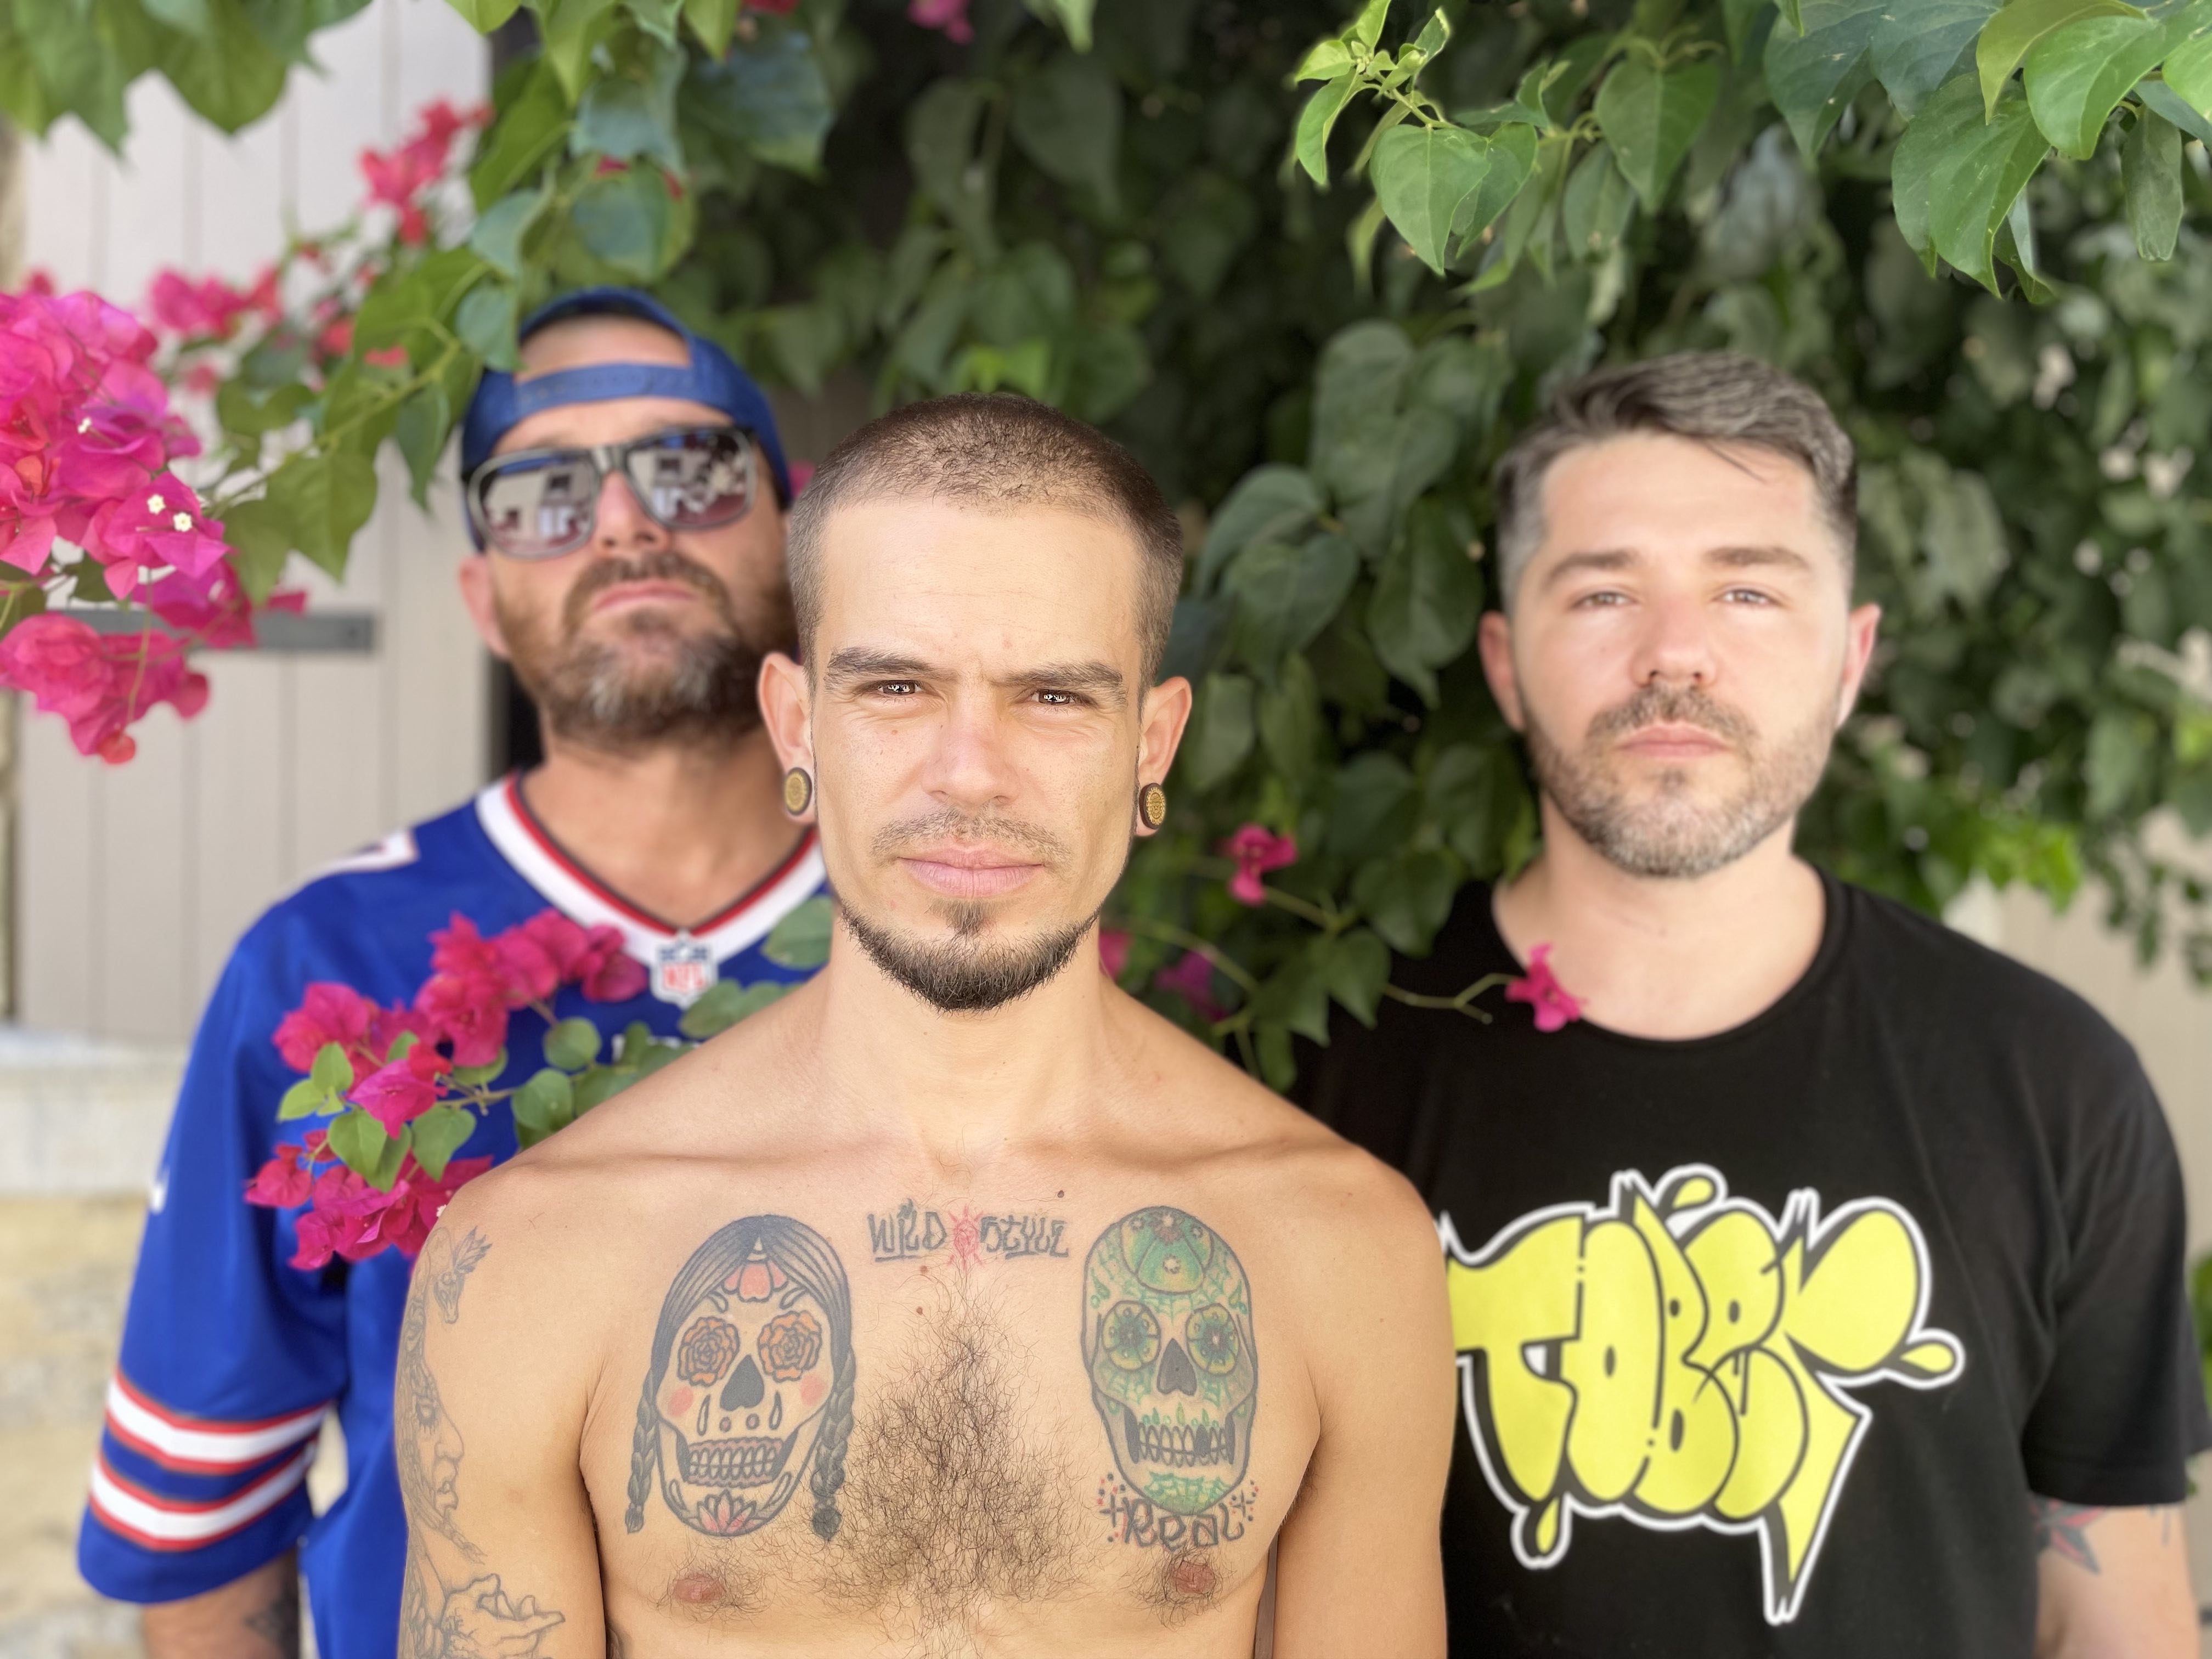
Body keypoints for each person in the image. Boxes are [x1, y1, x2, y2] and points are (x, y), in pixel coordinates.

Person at [396, 393, 1456, 1658]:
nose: (970, 772)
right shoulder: (536, 1260)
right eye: (897, 687)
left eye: (1054, 697)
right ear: (797, 724)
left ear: (1153, 742)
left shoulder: (1340, 1247)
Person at [1295, 351, 2212, 1657]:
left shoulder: (2053, 1086)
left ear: (1851, 658)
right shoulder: (1328, 1083)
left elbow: (2116, 1617)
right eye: (1604, 592)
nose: (1676, 652)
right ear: (1503, 662)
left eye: (1748, 591)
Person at [78, 288, 831, 1659]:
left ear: (797, 535)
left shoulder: (950, 927)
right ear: (483, 597)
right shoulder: (320, 963)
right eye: (545, 494)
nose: (625, 523)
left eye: (691, 468)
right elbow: (203, 1517)